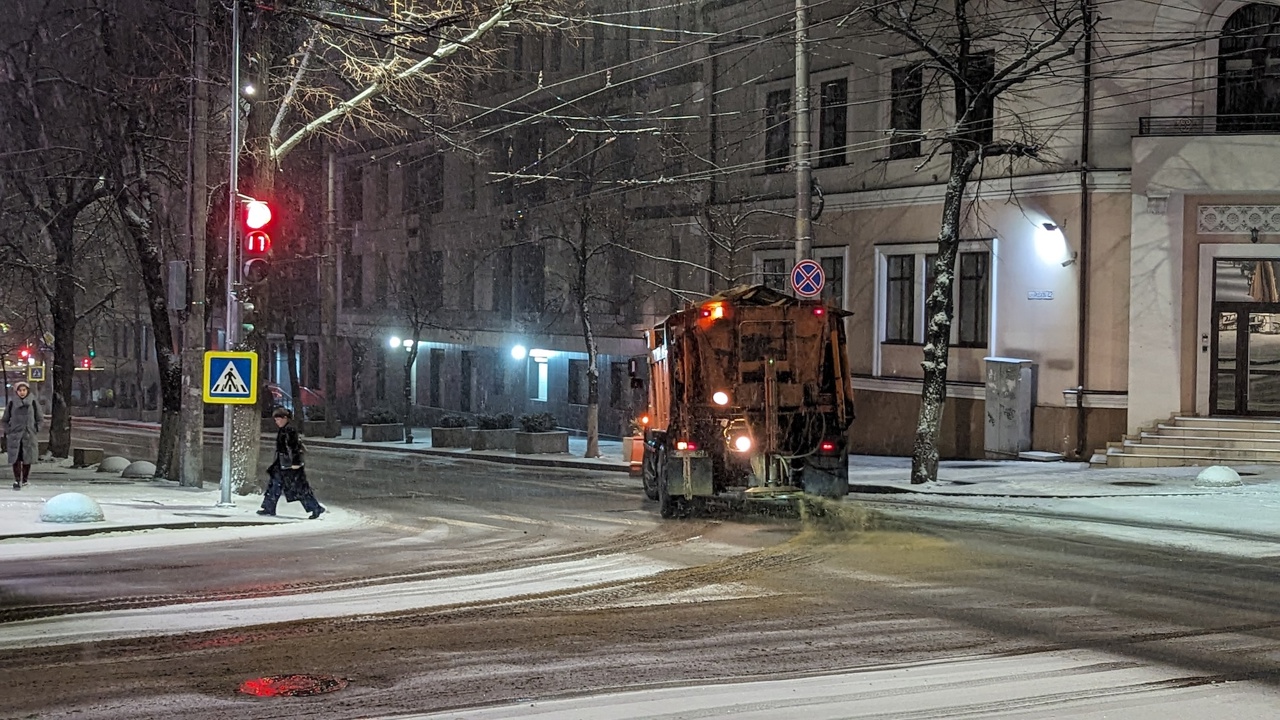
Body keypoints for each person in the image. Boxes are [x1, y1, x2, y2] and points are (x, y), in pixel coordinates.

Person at [258, 407, 325, 519]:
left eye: (278, 419)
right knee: (275, 485)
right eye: (276, 420)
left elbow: (294, 447)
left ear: (285, 418)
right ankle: (269, 507)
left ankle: (315, 507)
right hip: (282, 463)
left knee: (299, 487)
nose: (277, 422)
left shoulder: (290, 430)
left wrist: (295, 462)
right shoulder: (284, 429)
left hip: (291, 465)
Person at [5, 382, 43, 490]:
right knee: (15, 459)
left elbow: (40, 418)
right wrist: (9, 430)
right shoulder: (12, 403)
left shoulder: (33, 402)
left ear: (27, 391)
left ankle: (25, 480)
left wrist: (35, 429)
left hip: (28, 435)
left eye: (24, 390)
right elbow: (5, 420)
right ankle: (17, 480)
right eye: (20, 390)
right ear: (16, 392)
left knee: (27, 459)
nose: (22, 392)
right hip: (15, 436)